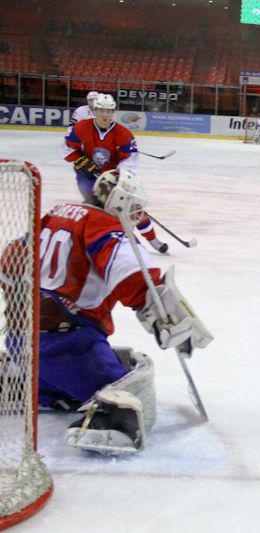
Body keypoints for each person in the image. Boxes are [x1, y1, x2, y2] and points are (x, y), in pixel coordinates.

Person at [3, 169, 212, 455]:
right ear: (119, 201)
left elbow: (10, 259)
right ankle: (105, 422)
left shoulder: (57, 213)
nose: (137, 217)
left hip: (18, 339)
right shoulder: (104, 225)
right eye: (135, 208)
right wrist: (169, 321)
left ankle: (24, 380)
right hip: (68, 346)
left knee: (92, 362)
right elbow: (134, 278)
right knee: (129, 389)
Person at [62, 93, 169, 254]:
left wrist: (118, 177)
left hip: (113, 176)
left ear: (113, 112)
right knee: (96, 209)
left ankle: (152, 240)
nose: (105, 115)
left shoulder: (123, 133)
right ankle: (97, 243)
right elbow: (67, 146)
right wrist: (82, 161)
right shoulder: (81, 127)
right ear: (95, 111)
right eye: (101, 111)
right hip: (87, 176)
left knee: (131, 207)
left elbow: (130, 160)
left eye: (108, 111)